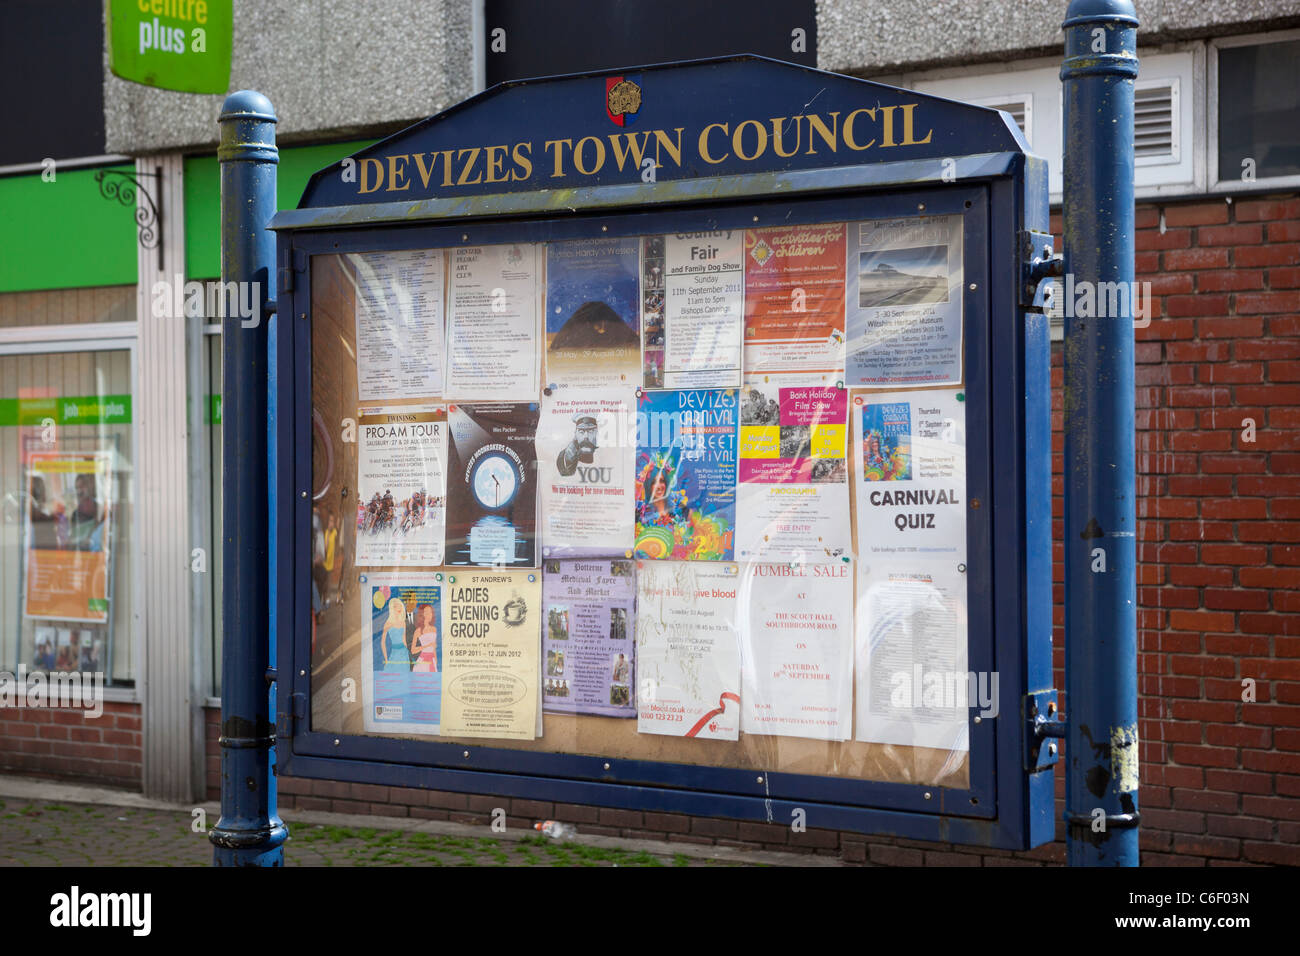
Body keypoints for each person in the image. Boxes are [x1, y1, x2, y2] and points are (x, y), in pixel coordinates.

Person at [380, 598, 410, 672]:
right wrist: (386, 659)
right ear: (392, 608)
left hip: (404, 653)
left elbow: (404, 640)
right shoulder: (388, 623)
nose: (399, 608)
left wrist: (409, 654)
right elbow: (383, 642)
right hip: (395, 653)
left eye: (399, 605)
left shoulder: (403, 622)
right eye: (396, 606)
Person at [411, 604, 438, 673]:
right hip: (422, 661)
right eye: (426, 612)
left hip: (432, 660)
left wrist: (436, 661)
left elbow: (434, 648)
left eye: (430, 612)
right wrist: (427, 646)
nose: (429, 614)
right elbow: (413, 650)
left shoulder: (434, 629)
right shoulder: (418, 631)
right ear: (422, 614)